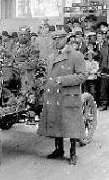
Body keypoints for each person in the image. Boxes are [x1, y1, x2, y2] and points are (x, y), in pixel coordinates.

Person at [37, 30, 86, 165]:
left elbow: (82, 76)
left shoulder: (76, 55)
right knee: (56, 122)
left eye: (59, 39)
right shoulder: (52, 56)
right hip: (54, 95)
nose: (56, 42)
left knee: (71, 126)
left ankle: (73, 153)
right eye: (54, 39)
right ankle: (59, 150)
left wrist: (63, 80)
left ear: (66, 39)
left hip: (68, 95)